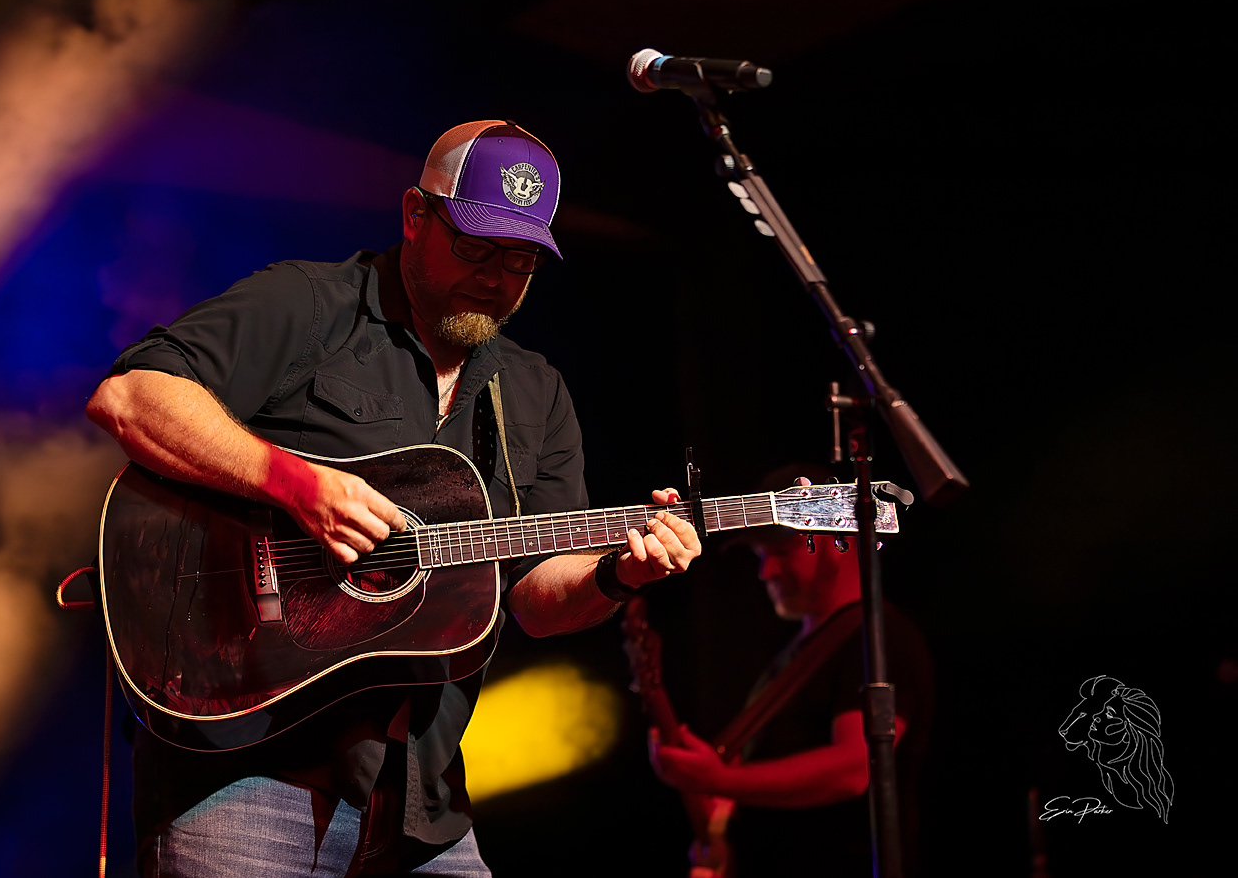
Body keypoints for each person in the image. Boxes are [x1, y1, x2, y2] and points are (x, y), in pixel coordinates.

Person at [87, 120, 700, 877]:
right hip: (243, 768)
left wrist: (619, 573)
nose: (495, 278)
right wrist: (299, 485)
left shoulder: (535, 391)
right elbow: (131, 398)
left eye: (520, 261)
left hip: (421, 802)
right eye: (475, 248)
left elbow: (536, 598)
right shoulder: (310, 304)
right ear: (415, 214)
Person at [648, 467, 934, 878]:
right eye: (763, 557)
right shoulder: (790, 658)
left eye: (781, 553)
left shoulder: (881, 636)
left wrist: (719, 780)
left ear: (836, 538)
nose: (765, 573)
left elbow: (854, 769)